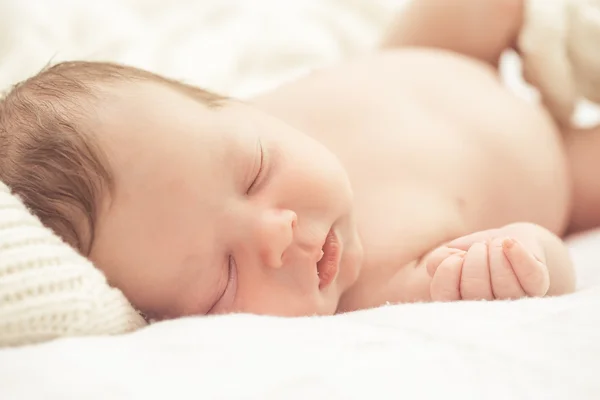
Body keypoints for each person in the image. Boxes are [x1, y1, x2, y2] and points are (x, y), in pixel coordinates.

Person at [0, 0, 589, 321]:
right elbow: (552, 271)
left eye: (254, 171)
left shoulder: (206, 141)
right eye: (224, 278)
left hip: (431, 53)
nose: (277, 233)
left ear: (233, 105)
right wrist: (519, 259)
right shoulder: (383, 287)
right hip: (553, 167)